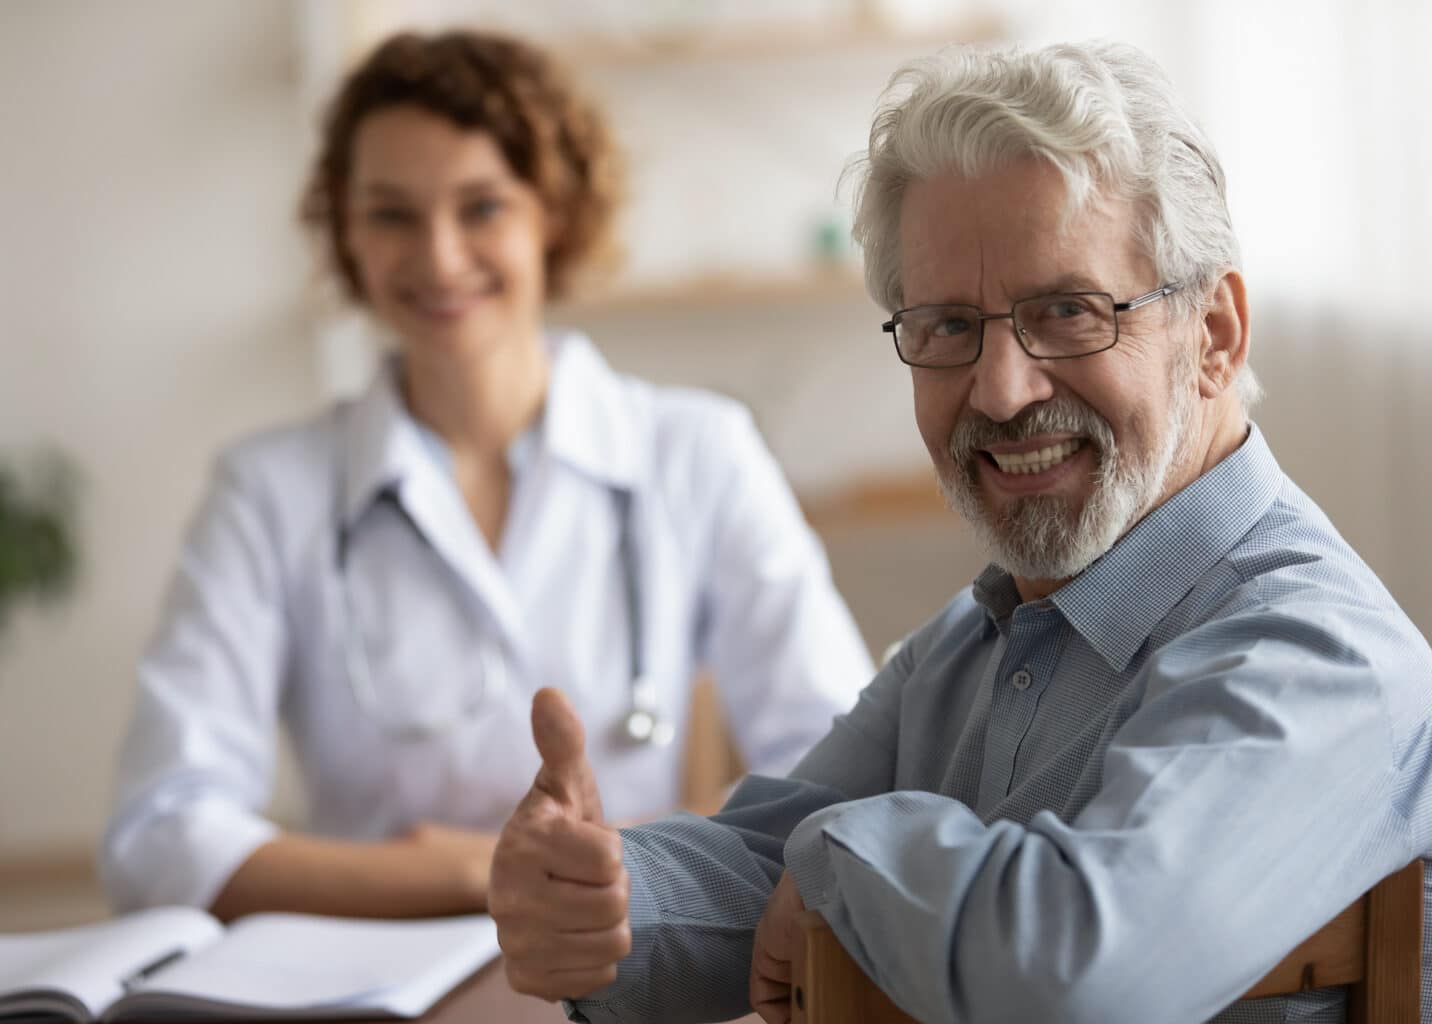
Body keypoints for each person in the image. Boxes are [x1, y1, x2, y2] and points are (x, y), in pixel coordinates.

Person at [486, 40, 1432, 1023]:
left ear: (1216, 335)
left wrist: (836, 855)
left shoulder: (1320, 654)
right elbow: (765, 860)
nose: (1003, 390)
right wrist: (607, 898)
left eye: (1067, 311)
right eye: (946, 326)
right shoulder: (988, 630)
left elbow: (1079, 975)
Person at [98, 29, 873, 921]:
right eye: (391, 213)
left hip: (631, 967)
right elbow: (157, 836)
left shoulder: (698, 451)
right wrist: (485, 872)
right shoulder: (267, 492)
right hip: (371, 980)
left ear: (555, 215)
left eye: (481, 207)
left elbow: (834, 774)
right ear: (345, 234)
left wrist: (584, 871)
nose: (437, 256)